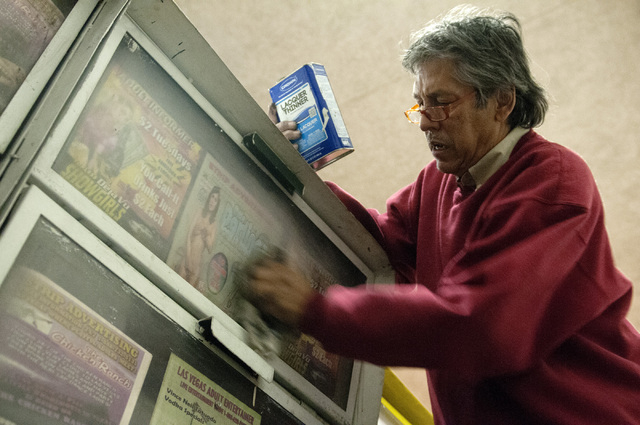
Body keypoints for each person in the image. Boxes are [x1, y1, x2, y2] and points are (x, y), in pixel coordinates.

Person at [249, 6, 640, 424]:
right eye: (419, 104)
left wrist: (316, 312)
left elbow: (482, 329)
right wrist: (294, 173)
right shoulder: (438, 182)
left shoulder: (552, 184)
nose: (423, 122)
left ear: (502, 101)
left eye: (440, 103)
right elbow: (376, 252)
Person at [176, 186, 221, 288]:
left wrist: (206, 236)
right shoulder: (199, 212)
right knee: (177, 286)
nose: (212, 201)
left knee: (187, 293)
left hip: (197, 266)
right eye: (212, 197)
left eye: (215, 200)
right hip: (187, 258)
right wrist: (188, 259)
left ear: (217, 204)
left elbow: (210, 249)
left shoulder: (213, 224)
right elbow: (188, 235)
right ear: (209, 198)